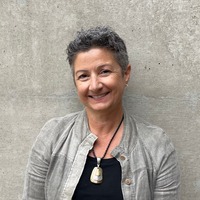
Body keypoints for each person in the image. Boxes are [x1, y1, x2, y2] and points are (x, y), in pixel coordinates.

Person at [22, 26, 180, 200]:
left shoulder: (157, 145)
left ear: (125, 74)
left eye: (104, 71)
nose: (95, 85)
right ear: (75, 82)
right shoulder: (52, 135)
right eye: (83, 76)